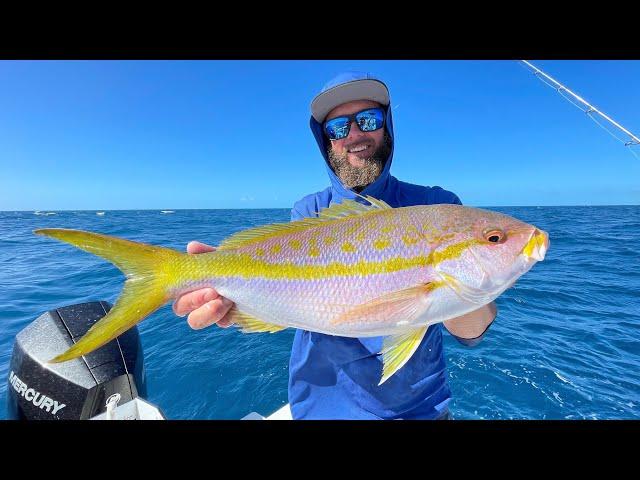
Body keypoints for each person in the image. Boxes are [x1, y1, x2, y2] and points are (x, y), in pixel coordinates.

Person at [172, 71, 497, 420]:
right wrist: (236, 304)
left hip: (420, 411)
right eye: (338, 128)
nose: (354, 134)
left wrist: (456, 280)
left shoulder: (436, 204)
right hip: (321, 410)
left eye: (368, 120)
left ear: (387, 126)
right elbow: (292, 298)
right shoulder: (309, 210)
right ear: (325, 141)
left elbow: (472, 332)